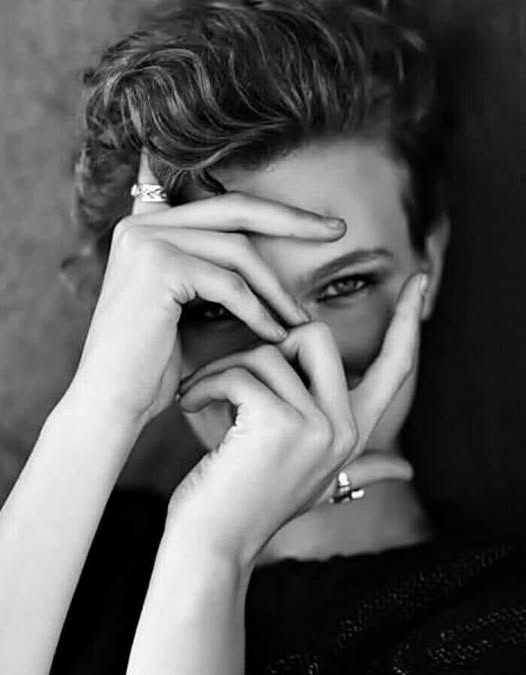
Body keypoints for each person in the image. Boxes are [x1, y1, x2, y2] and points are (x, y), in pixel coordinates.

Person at [2, 1, 526, 673]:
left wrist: (212, 551)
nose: (293, 356)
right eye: (217, 305)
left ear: (432, 256)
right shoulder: (68, 561)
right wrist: (101, 403)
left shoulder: (499, 621)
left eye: (345, 285)